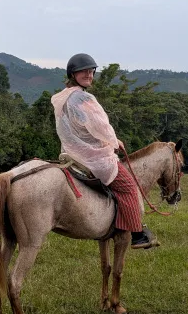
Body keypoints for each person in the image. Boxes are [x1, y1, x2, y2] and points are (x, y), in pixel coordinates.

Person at [50, 53, 158, 249]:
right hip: (92, 156)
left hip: (71, 153)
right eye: (83, 71)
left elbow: (75, 127)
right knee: (129, 187)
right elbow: (100, 126)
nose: (88, 75)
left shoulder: (61, 97)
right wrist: (114, 141)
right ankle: (137, 234)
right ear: (73, 74)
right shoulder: (84, 98)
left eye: (91, 71)